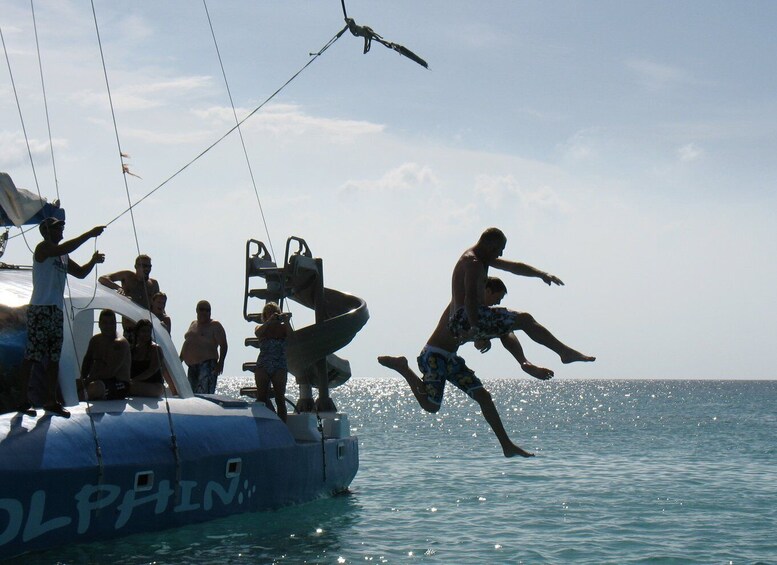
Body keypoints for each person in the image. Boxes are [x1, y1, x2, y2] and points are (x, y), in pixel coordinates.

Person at [378, 278, 553, 458]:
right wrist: (479, 338)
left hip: (451, 358)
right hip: (434, 355)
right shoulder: (462, 303)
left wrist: (523, 362)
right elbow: (462, 329)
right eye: (497, 298)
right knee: (431, 406)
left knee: (484, 397)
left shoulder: (483, 314)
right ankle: (403, 367)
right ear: (487, 290)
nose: (497, 304)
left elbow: (503, 331)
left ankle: (507, 445)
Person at [448, 227, 595, 364]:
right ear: (489, 246)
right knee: (524, 319)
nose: (500, 254)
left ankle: (549, 356)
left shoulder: (481, 258)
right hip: (466, 318)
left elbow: (514, 267)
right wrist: (476, 329)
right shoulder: (473, 262)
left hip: (465, 319)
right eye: (499, 250)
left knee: (509, 323)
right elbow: (471, 297)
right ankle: (564, 352)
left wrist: (542, 274)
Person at [16, 217, 105, 417]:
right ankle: (23, 399)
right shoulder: (43, 249)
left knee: (53, 358)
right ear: (46, 231)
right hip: (40, 309)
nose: (61, 230)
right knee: (32, 357)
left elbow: (80, 273)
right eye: (57, 228)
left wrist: (93, 261)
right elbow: (65, 247)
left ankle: (50, 400)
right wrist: (89, 234)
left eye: (62, 227)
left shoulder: (62, 255)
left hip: (55, 310)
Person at [98, 254, 160, 345]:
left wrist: (163, 321)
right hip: (130, 330)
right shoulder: (127, 276)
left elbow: (158, 307)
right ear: (136, 266)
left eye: (149, 266)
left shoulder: (153, 284)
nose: (147, 269)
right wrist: (118, 288)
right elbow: (103, 279)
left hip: (147, 332)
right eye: (144, 266)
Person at [80, 309, 131, 401]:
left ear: (115, 324)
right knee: (71, 384)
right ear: (99, 324)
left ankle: (79, 397)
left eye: (111, 323)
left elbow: (110, 372)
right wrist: (82, 379)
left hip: (118, 383)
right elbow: (87, 361)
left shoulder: (119, 343)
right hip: (96, 380)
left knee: (96, 387)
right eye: (105, 323)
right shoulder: (95, 340)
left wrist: (87, 381)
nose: (108, 326)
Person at [253, 302, 292, 422]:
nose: (271, 315)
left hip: (279, 364)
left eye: (274, 312)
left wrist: (286, 321)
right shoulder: (261, 327)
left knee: (280, 398)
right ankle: (265, 422)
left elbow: (291, 337)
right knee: (261, 397)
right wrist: (269, 321)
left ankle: (283, 428)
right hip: (264, 363)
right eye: (268, 313)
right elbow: (257, 333)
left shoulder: (283, 328)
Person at [180, 300, 227, 394]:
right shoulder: (193, 324)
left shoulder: (215, 325)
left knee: (204, 395)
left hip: (207, 365)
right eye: (202, 309)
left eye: (207, 310)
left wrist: (221, 363)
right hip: (192, 367)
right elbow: (187, 343)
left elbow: (223, 345)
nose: (205, 312)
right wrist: (179, 360)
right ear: (197, 310)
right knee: (191, 395)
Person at [128, 318, 165, 397]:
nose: (146, 334)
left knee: (130, 386)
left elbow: (152, 370)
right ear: (137, 332)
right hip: (135, 383)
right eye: (143, 331)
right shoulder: (132, 350)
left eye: (148, 331)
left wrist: (133, 380)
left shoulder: (155, 349)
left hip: (154, 386)